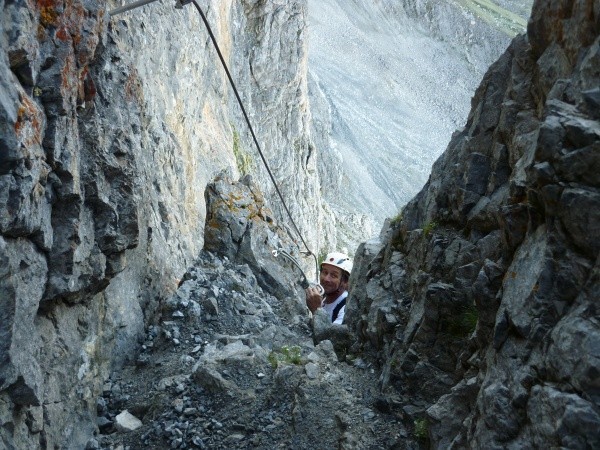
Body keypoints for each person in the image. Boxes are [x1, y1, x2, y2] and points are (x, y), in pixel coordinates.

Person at [305, 252, 353, 324]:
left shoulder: (345, 307)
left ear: (344, 281)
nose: (326, 279)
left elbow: (329, 334)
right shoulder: (323, 297)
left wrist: (317, 310)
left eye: (334, 275)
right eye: (325, 272)